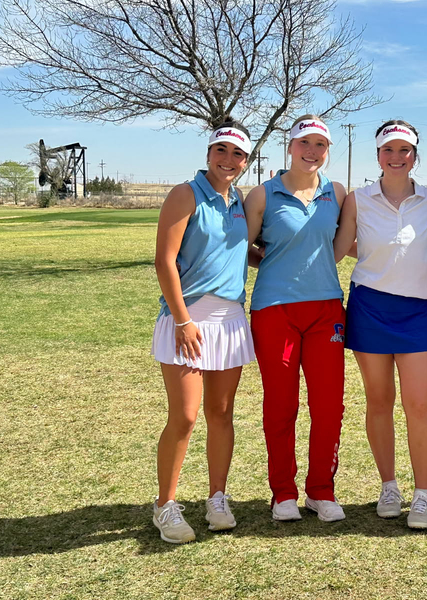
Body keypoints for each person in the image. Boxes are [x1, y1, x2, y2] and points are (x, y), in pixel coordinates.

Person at [150, 121, 255, 544]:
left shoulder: (238, 200)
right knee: (186, 416)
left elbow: (241, 254)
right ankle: (165, 505)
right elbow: (165, 260)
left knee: (222, 415)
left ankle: (217, 498)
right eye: (221, 150)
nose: (228, 160)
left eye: (237, 154)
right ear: (208, 152)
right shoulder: (185, 193)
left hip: (229, 320)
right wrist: (182, 320)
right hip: (187, 320)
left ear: (246, 161)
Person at [334, 120, 427, 529]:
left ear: (415, 155)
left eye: (405, 150)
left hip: (418, 311)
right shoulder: (358, 199)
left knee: (417, 405)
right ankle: (389, 486)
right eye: (388, 150)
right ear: (377, 155)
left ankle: (423, 494)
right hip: (369, 307)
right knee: (379, 401)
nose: (397, 158)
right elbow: (339, 248)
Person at [244, 115, 348, 522]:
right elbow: (245, 247)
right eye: (304, 143)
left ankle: (321, 490)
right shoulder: (262, 195)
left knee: (328, 405)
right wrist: (270, 261)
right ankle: (283, 493)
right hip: (275, 310)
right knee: (281, 404)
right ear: (290, 146)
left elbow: (341, 246)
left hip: (326, 309)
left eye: (320, 144)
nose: (312, 151)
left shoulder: (336, 192)